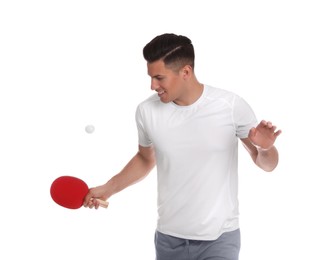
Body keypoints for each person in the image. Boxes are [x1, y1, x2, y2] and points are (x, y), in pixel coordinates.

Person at [83, 33, 282, 260]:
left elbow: (267, 164)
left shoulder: (230, 106)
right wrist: (108, 189)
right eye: (150, 78)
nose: (152, 86)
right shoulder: (146, 112)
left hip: (219, 239)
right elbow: (145, 159)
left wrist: (265, 148)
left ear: (185, 72)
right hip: (169, 239)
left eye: (159, 78)